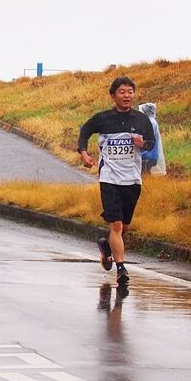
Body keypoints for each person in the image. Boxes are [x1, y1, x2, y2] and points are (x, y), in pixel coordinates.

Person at [77, 76, 155, 284]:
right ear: (113, 95)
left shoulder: (141, 120)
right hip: (109, 178)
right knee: (117, 225)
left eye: (130, 92)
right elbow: (84, 131)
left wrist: (142, 143)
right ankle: (121, 268)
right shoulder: (103, 118)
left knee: (124, 227)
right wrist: (83, 153)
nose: (127, 95)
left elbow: (151, 143)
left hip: (132, 179)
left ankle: (106, 247)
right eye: (122, 92)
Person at [138, 103, 166, 176]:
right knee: (146, 174)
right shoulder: (152, 121)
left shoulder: (149, 122)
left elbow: (147, 138)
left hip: (147, 155)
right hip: (151, 155)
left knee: (144, 176)